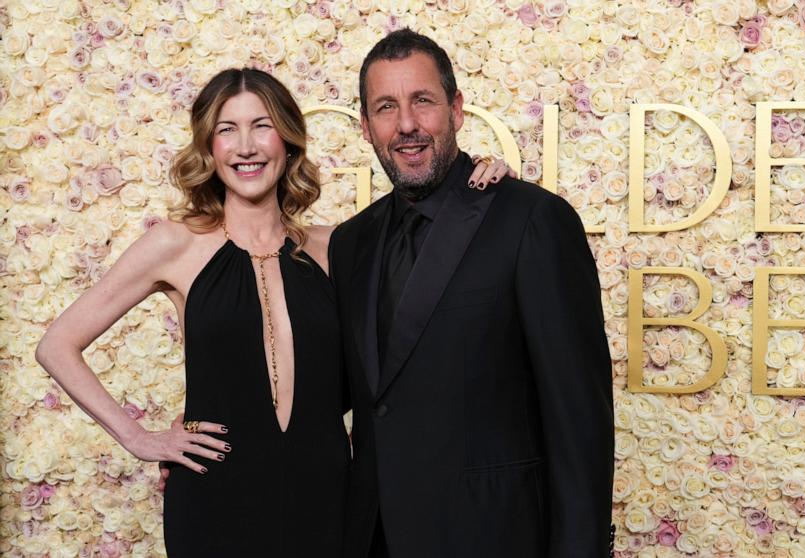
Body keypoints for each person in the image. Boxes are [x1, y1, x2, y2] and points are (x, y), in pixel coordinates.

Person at [35, 67, 511, 557]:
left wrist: (481, 184)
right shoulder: (174, 246)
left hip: (326, 496)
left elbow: (434, 246)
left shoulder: (337, 246)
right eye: (227, 129)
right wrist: (139, 438)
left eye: (261, 125)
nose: (246, 146)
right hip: (214, 496)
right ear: (208, 147)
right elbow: (56, 345)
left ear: (287, 140)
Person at [328, 29, 614, 558]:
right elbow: (347, 392)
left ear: (457, 110)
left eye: (423, 102)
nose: (407, 125)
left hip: (494, 537)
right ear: (366, 127)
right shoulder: (350, 243)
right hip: (372, 538)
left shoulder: (532, 220)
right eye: (386, 107)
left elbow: (579, 418)